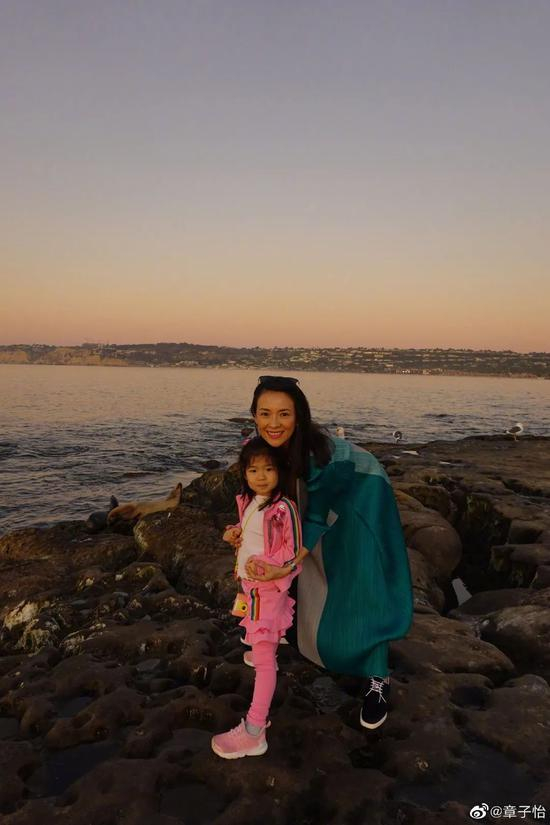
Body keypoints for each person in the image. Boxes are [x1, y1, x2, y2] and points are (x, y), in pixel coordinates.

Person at [242, 375, 413, 730]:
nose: (274, 423)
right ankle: (280, 633)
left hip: (362, 494)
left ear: (299, 417)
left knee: (361, 578)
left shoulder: (316, 456)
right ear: (254, 415)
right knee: (302, 562)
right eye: (265, 413)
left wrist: (287, 564)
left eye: (284, 414)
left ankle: (377, 677)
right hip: (327, 495)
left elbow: (317, 515)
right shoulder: (265, 448)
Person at [211, 437, 302, 759]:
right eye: (253, 470)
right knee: (260, 638)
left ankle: (254, 731)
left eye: (268, 469)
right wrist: (233, 531)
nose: (260, 476)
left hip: (267, 588)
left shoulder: (283, 508)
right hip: (251, 587)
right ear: (244, 472)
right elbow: (250, 528)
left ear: (280, 471)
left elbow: (293, 550)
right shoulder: (251, 500)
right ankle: (267, 650)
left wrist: (269, 565)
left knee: (262, 659)